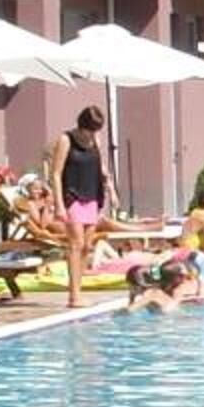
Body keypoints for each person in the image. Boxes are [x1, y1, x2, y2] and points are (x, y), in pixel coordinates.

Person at [44, 106, 116, 307]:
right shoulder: (66, 140)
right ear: (81, 125)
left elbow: (100, 167)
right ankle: (73, 295)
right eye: (90, 130)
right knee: (76, 244)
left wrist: (111, 189)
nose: (92, 134)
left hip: (92, 194)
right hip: (72, 195)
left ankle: (79, 290)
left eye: (96, 130)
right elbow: (56, 174)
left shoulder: (95, 139)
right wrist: (59, 204)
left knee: (87, 246)